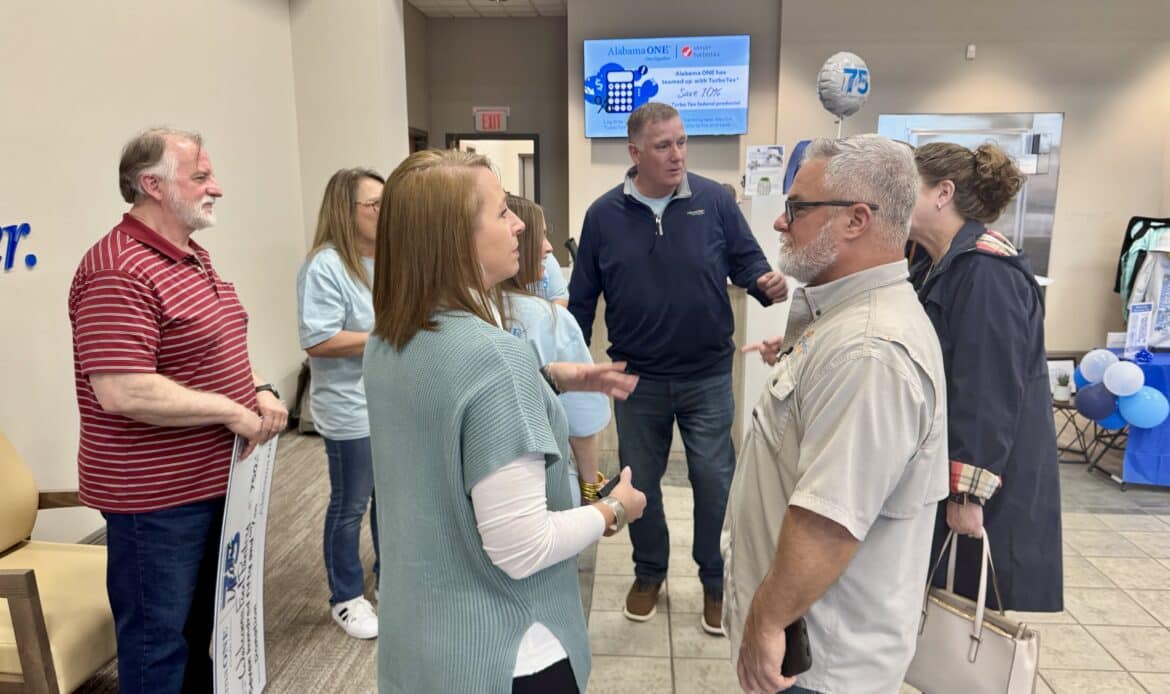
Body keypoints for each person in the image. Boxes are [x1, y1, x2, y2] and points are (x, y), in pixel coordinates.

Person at [364, 149, 646, 693]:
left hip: (422, 644)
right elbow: (523, 546)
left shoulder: (388, 338)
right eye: (501, 212)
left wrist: (547, 379)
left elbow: (445, 404)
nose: (519, 224)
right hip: (505, 652)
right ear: (454, 240)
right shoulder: (494, 357)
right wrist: (613, 510)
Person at [724, 134, 948, 694]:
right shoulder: (843, 321)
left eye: (798, 208)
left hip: (819, 665)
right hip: (807, 647)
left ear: (856, 220)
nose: (780, 222)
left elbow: (829, 520)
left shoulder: (869, 350)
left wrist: (766, 621)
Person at [68, 127, 287, 692]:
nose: (218, 188)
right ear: (153, 186)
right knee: (157, 647)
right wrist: (230, 411)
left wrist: (260, 388)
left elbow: (213, 349)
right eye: (201, 177)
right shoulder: (118, 268)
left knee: (198, 633)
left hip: (213, 484)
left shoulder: (190, 256)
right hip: (157, 501)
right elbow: (123, 390)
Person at [569, 102, 788, 634]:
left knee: (714, 481)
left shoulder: (714, 201)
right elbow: (582, 299)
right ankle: (649, 573)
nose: (677, 155)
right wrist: (576, 371)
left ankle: (714, 580)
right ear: (635, 152)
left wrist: (766, 283)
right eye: (663, 145)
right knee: (639, 482)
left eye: (682, 142)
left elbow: (748, 261)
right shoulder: (603, 215)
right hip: (637, 380)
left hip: (707, 376)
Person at [909, 141, 1063, 612]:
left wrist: (967, 494)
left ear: (943, 193)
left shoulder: (986, 270)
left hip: (983, 482)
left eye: (906, 186)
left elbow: (988, 391)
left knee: (961, 615)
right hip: (949, 465)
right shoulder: (935, 261)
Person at [296, 167, 384, 639]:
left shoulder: (389, 258)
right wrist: (385, 337)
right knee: (351, 503)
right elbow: (319, 339)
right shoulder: (325, 266)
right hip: (351, 405)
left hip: (391, 403)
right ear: (345, 212)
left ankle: (390, 577)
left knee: (390, 499)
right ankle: (346, 597)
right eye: (375, 205)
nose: (385, 212)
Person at [500, 194, 609, 505]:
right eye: (540, 236)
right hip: (544, 484)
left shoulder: (463, 313)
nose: (548, 248)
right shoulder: (547, 320)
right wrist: (591, 492)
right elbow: (581, 423)